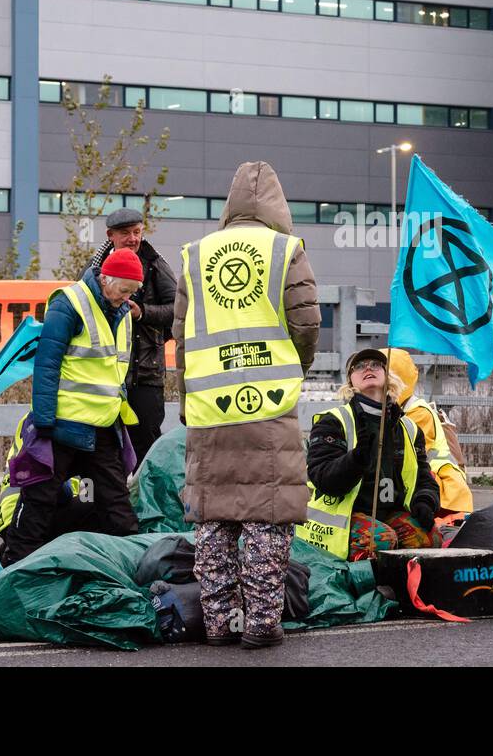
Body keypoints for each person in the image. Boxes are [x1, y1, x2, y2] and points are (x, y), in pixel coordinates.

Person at [173, 161, 320, 650]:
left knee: (214, 516)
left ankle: (218, 623)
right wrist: (292, 369)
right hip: (268, 404)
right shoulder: (285, 250)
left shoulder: (194, 255)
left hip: (210, 404)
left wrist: (188, 398)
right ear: (277, 204)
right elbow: (306, 323)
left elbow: (180, 338)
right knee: (267, 514)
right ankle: (260, 624)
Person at [1, 248, 143, 566]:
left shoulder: (122, 313)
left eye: (132, 292)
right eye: (124, 291)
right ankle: (15, 568)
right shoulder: (69, 304)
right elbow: (47, 364)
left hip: (103, 424)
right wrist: (44, 419)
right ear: (106, 280)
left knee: (117, 505)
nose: (127, 299)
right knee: (40, 501)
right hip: (62, 424)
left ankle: (135, 570)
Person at [300, 348, 442, 560]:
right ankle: (365, 588)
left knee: (430, 538)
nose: (368, 368)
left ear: (388, 375)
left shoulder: (409, 428)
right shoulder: (332, 422)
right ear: (350, 382)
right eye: (359, 366)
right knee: (381, 539)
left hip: (387, 512)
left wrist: (425, 502)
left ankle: (404, 589)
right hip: (340, 517)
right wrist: (356, 459)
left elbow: (423, 476)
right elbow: (323, 479)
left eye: (375, 364)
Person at [84, 208, 178, 466]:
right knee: (105, 449)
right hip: (104, 376)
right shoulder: (93, 270)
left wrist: (143, 313)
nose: (133, 239)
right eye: (125, 233)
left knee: (146, 448)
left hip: (146, 375)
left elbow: (179, 309)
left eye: (137, 232)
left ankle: (146, 504)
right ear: (110, 235)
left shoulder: (156, 265)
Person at [0, 413, 97, 564]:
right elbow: (52, 488)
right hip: (26, 516)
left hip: (14, 517)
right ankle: (23, 554)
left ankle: (18, 550)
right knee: (95, 509)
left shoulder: (36, 417)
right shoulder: (58, 424)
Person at [388, 349, 473, 514]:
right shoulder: (401, 407)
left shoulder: (418, 412)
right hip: (423, 484)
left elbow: (403, 457)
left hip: (441, 491)